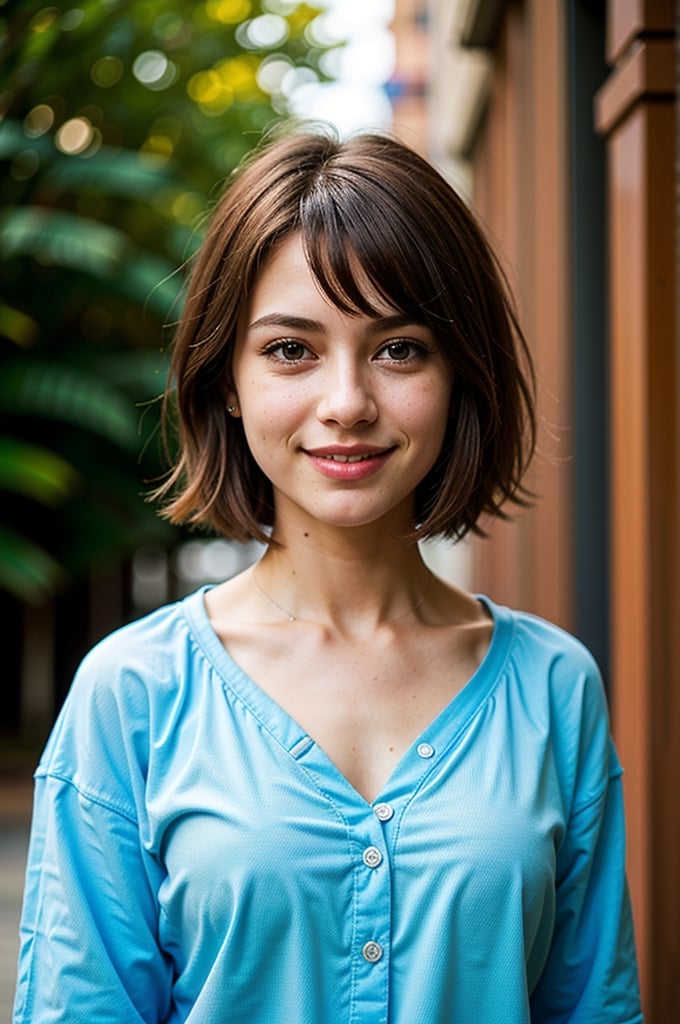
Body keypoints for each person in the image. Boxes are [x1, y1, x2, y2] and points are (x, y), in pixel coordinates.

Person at [14, 127, 642, 1023]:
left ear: (460, 373)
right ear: (226, 378)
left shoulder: (553, 689)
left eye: (399, 348)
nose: (346, 403)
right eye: (289, 349)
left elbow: (595, 1008)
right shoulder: (133, 695)